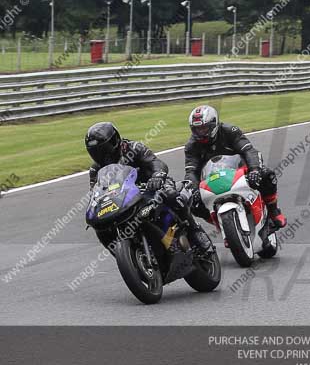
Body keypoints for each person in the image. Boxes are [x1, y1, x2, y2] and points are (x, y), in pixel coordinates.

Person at [85, 122, 212, 251]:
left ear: (115, 141)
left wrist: (157, 176)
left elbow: (156, 163)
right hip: (125, 198)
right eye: (96, 152)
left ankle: (195, 231)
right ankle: (122, 252)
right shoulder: (96, 169)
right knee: (100, 226)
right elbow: (96, 192)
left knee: (171, 195)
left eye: (104, 149)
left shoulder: (133, 148)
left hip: (152, 185)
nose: (101, 155)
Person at [183, 106, 286, 256]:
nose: (201, 133)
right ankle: (224, 225)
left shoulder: (229, 131)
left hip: (240, 170)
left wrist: (255, 170)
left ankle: (273, 210)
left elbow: (248, 150)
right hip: (212, 178)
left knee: (267, 174)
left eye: (204, 128)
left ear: (214, 125)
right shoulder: (191, 146)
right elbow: (191, 171)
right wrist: (192, 189)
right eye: (197, 129)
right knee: (192, 202)